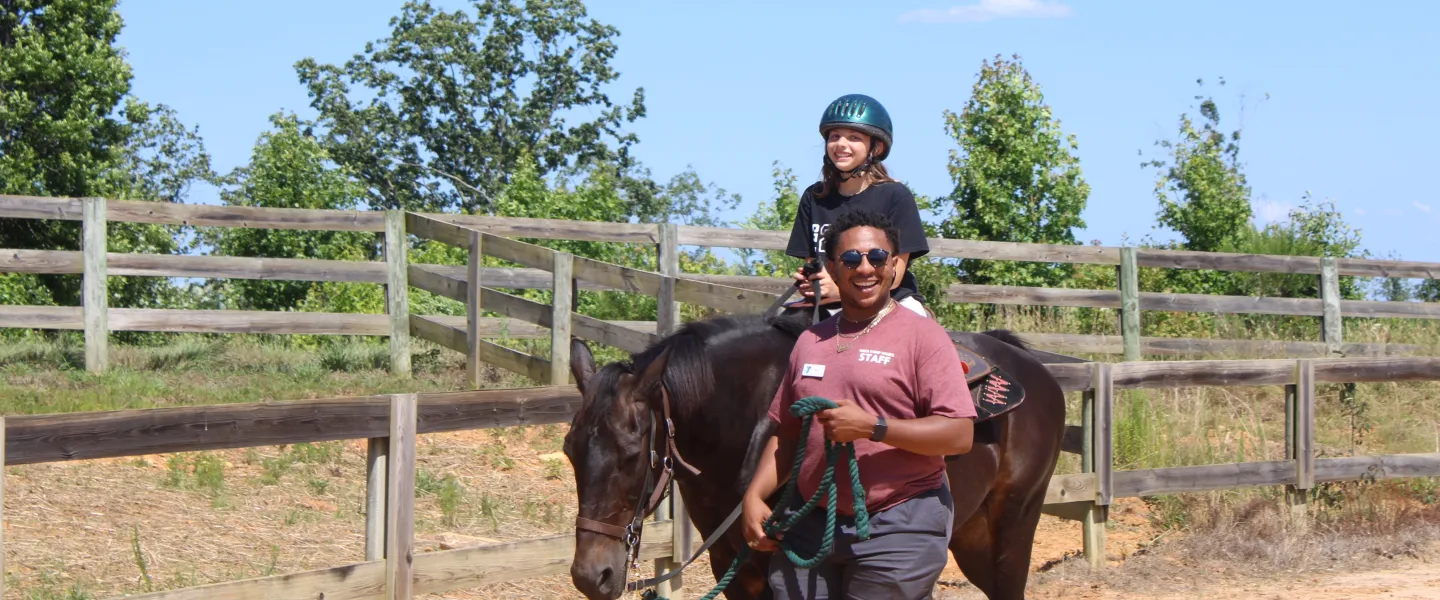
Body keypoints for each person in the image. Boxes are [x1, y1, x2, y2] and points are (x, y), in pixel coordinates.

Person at [744, 209, 977, 599]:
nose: (864, 268)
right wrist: (753, 497)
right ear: (833, 269)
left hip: (899, 522)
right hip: (811, 523)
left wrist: (874, 427)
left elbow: (959, 434)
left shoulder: (924, 337)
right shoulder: (809, 341)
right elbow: (787, 435)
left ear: (894, 267)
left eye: (877, 257)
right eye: (851, 259)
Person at [786, 93, 932, 318]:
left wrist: (840, 291)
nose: (841, 144)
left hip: (888, 300)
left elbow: (895, 275)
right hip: (828, 302)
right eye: (835, 136)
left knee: (918, 324)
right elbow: (815, 263)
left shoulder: (896, 197)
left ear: (876, 148)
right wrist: (812, 282)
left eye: (854, 137)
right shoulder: (813, 197)